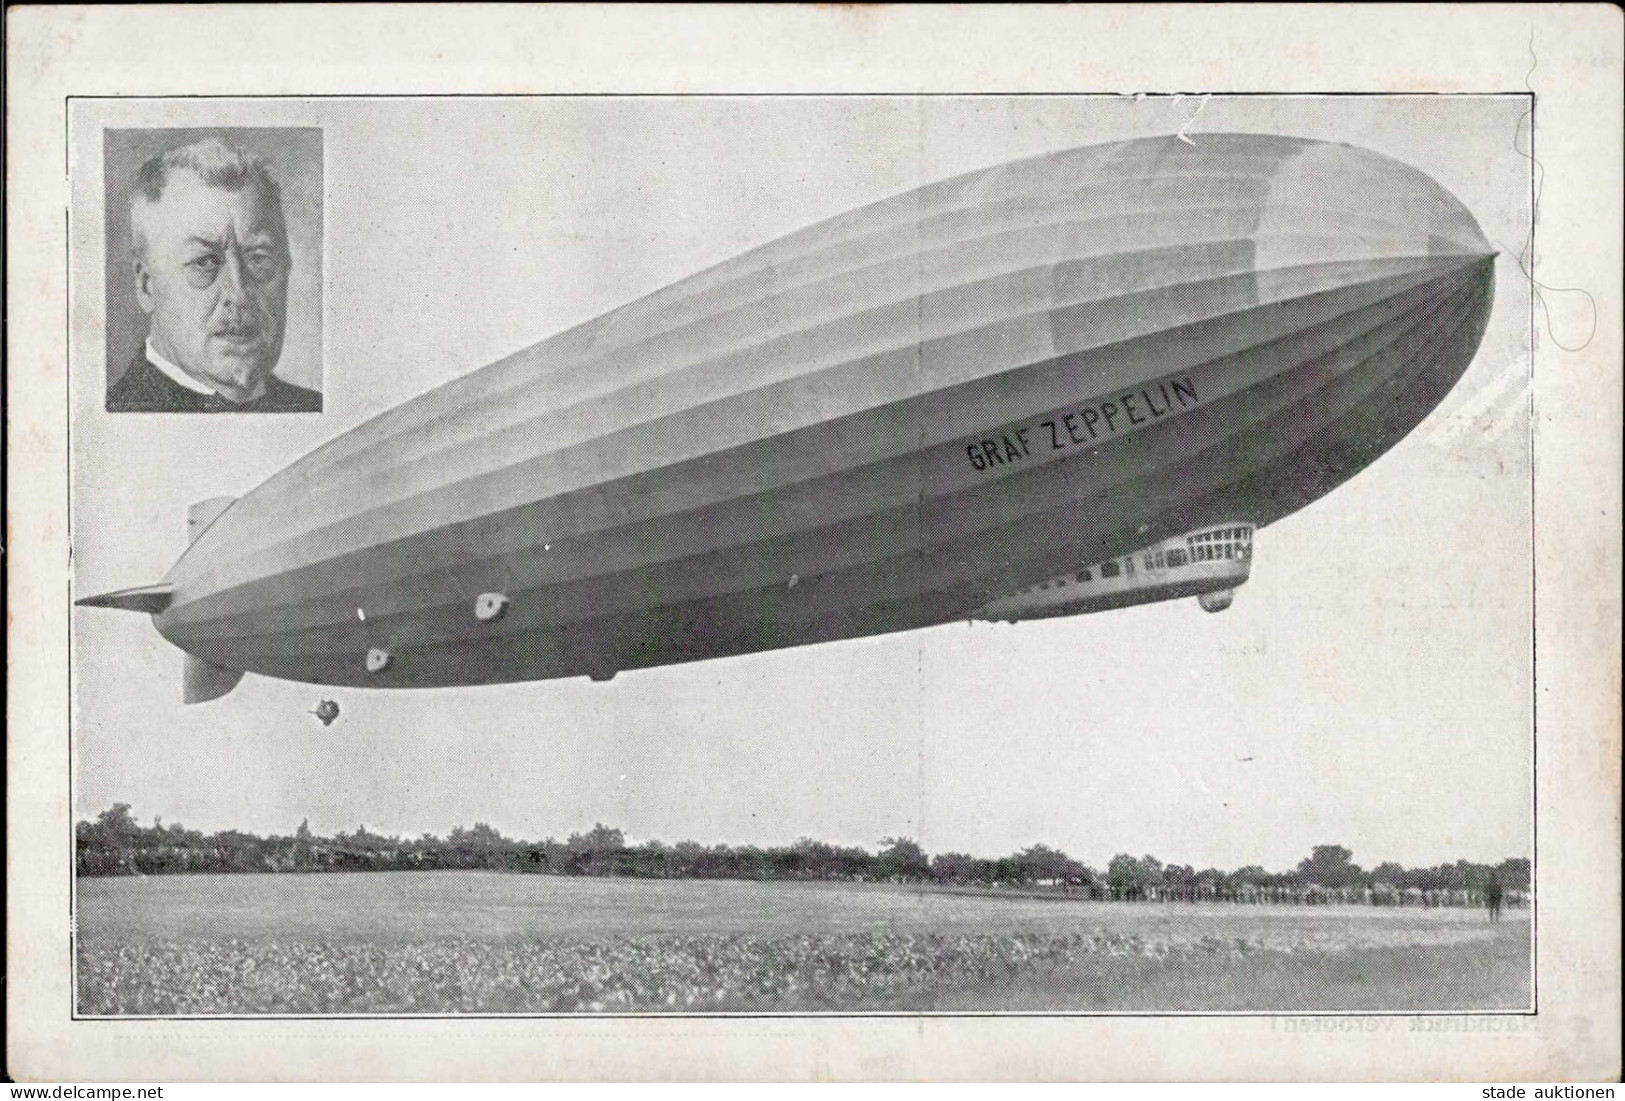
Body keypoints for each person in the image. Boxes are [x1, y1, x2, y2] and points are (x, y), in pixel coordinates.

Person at [108, 137, 321, 413]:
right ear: (146, 285)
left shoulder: (312, 407)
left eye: (259, 259)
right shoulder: (118, 410)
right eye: (205, 262)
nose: (239, 293)